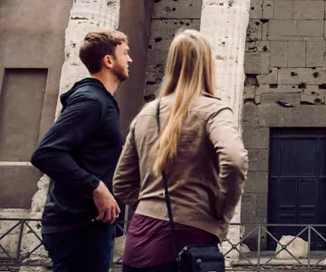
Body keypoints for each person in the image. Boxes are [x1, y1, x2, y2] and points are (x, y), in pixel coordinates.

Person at [114, 29, 248, 272]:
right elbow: (235, 159)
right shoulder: (214, 111)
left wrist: (150, 207)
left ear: (171, 64)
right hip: (189, 241)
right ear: (208, 65)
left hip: (137, 244)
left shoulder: (146, 113)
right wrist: (221, 212)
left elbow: (121, 182)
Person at [31, 30, 132, 272]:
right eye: (125, 53)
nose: (130, 60)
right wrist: (95, 187)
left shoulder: (99, 100)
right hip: (79, 227)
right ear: (108, 60)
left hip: (88, 225)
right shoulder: (91, 101)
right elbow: (46, 153)